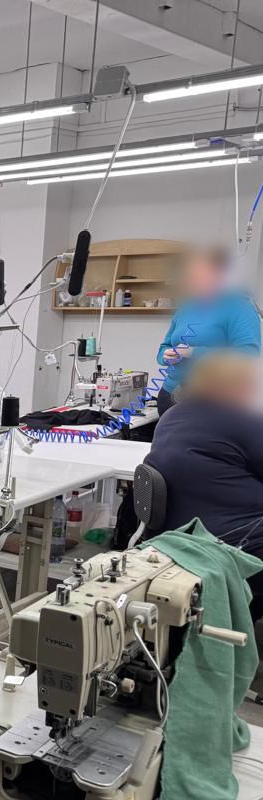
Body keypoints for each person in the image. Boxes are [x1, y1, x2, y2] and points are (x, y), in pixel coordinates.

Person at [144, 350, 263, 623]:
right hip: (238, 545)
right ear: (234, 386)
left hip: (180, 539)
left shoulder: (171, 417)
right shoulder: (242, 422)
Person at [154, 245, 261, 414]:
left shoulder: (240, 308)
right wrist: (165, 355)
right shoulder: (187, 307)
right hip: (171, 394)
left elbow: (247, 357)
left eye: (200, 275)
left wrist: (193, 352)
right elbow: (165, 346)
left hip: (212, 399)